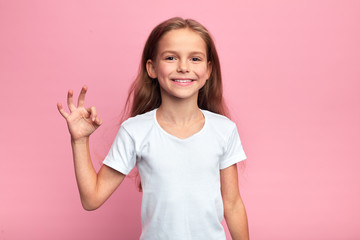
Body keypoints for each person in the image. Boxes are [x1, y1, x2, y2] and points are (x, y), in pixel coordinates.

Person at [57, 17, 249, 240]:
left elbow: (233, 204)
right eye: (170, 57)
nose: (184, 67)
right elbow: (91, 199)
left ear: (208, 71)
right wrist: (79, 141)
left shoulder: (224, 130)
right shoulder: (135, 131)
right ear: (152, 68)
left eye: (195, 59)